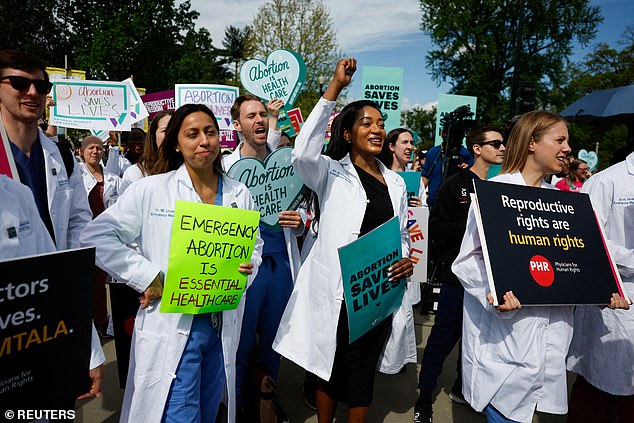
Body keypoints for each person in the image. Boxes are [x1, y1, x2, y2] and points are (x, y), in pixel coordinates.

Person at [80, 103, 263, 423]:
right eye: (192, 134)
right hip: (173, 327)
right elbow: (97, 235)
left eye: (210, 132)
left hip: (220, 329)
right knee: (179, 414)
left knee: (209, 413)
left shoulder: (239, 193)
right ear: (176, 143)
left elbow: (254, 247)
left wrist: (248, 268)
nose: (204, 141)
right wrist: (148, 276)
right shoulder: (152, 190)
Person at [449, 110, 629, 423]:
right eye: (560, 140)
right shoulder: (495, 195)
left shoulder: (562, 203)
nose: (568, 148)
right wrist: (493, 293)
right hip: (504, 350)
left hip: (549, 348)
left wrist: (601, 290)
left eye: (568, 141)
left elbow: (582, 256)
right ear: (532, 143)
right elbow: (467, 262)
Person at [273, 58, 413, 423]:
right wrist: (334, 87)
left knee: (363, 370)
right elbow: (302, 150)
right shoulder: (328, 172)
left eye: (381, 123)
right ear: (348, 134)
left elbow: (399, 235)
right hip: (335, 292)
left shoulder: (396, 183)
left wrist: (406, 259)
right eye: (366, 123)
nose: (377, 129)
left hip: (375, 292)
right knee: (329, 367)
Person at [0, 49, 104, 401]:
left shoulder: (60, 155)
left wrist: (88, 346)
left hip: (52, 307)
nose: (32, 93)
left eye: (41, 86)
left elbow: (78, 229)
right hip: (7, 312)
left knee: (56, 404)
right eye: (18, 82)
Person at [414, 125, 506, 422]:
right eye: (495, 143)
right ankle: (424, 400)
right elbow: (436, 228)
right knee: (443, 337)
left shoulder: (503, 184)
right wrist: (473, 222)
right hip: (457, 279)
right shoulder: (456, 184)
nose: (502, 148)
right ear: (477, 149)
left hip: (489, 281)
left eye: (503, 143)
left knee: (476, 338)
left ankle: (461, 389)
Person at [223, 94, 302, 422]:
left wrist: (300, 222)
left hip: (281, 265)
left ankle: (266, 397)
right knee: (239, 341)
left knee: (274, 339)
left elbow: (307, 210)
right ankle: (238, 403)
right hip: (245, 268)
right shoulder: (225, 167)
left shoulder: (285, 164)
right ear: (237, 125)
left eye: (262, 115)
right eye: (251, 116)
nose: (259, 120)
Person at [566, 151, 634, 422]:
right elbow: (585, 238)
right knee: (602, 387)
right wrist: (630, 257)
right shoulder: (607, 181)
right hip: (615, 301)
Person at [78, 135, 122, 336]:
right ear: (81, 152)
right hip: (83, 235)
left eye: (99, 148)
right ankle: (86, 323)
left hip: (105, 235)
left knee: (102, 281)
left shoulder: (114, 179)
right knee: (87, 281)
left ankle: (102, 322)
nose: (95, 151)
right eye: (90, 148)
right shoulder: (76, 174)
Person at [121, 110, 173, 190]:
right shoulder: (135, 173)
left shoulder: (193, 173)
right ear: (153, 137)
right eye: (165, 131)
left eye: (176, 130)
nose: (171, 135)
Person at [421, 132, 473, 209]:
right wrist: (421, 196)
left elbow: (474, 175)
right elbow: (425, 176)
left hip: (457, 204)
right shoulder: (433, 152)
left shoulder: (465, 153)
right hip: (434, 203)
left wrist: (467, 170)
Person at [377, 128, 424, 207]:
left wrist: (420, 206)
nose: (410, 147)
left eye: (411, 143)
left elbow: (424, 208)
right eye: (405, 142)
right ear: (391, 146)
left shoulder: (415, 178)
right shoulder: (379, 174)